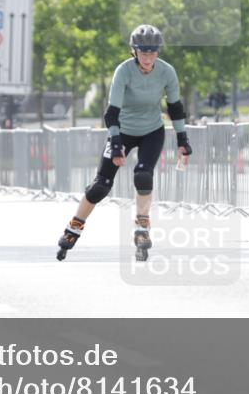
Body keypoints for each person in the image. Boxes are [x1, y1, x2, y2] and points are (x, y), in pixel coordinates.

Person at [56, 24, 192, 261]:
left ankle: (142, 226)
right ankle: (74, 226)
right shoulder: (124, 71)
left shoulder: (167, 72)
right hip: (123, 131)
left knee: (143, 176)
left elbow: (175, 108)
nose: (148, 58)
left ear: (158, 52)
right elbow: (111, 112)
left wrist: (183, 140)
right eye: (143, 52)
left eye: (152, 52)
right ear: (134, 51)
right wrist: (117, 143)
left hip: (152, 131)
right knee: (100, 186)